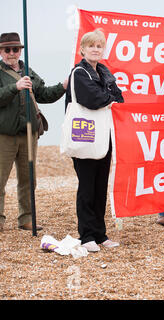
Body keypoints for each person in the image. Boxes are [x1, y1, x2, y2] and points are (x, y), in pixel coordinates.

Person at [0, 32, 67, 232]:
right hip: (5, 135)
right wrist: (15, 87)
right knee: (0, 178)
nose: (12, 53)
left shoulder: (28, 70)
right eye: (7, 49)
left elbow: (44, 94)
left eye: (15, 49)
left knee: (28, 178)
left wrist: (63, 86)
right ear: (1, 52)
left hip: (29, 133)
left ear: (20, 50)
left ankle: (26, 218)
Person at [65, 29, 124, 252]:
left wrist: (109, 100)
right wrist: (108, 100)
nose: (96, 49)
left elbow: (119, 97)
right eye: (91, 45)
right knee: (87, 186)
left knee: (100, 186)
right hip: (84, 136)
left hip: (103, 136)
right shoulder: (79, 72)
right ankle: (86, 234)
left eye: (99, 46)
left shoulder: (104, 71)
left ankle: (101, 234)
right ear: (83, 49)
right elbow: (93, 98)